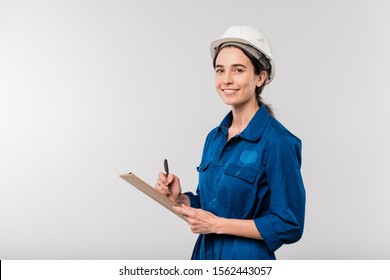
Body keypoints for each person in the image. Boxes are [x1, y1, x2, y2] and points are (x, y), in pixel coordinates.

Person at [155, 25, 306, 260]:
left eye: (238, 70)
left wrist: (218, 225)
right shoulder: (214, 138)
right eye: (220, 70)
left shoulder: (278, 142)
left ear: (260, 77)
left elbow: (290, 224)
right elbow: (211, 206)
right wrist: (181, 199)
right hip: (204, 257)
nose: (226, 80)